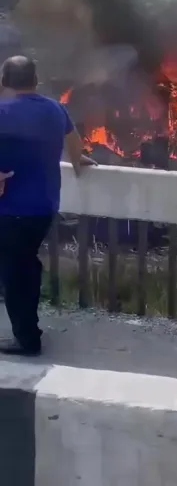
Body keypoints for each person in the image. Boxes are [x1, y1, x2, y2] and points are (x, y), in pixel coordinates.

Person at [0, 55, 94, 356]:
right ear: (35, 81)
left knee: (17, 275)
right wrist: (78, 160)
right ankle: (29, 329)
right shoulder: (55, 108)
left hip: (11, 209)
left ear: (3, 83)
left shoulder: (2, 111)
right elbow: (74, 142)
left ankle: (27, 340)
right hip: (45, 206)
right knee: (24, 266)